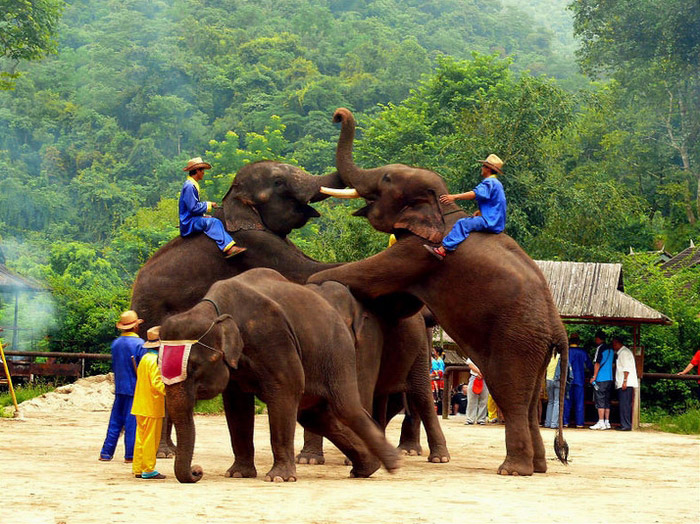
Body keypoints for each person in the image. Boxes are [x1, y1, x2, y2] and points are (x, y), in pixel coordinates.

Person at [424, 154, 506, 260]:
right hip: (497, 222)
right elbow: (494, 203)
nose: (482, 168)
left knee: (462, 223)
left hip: (490, 222)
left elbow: (475, 194)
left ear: (488, 169)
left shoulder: (489, 182)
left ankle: (443, 249)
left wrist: (454, 197)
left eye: (483, 166)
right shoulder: (497, 184)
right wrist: (480, 212)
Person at [99, 310, 146, 462]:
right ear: (135, 327)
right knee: (132, 423)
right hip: (134, 388)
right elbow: (143, 367)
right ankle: (130, 455)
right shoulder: (140, 345)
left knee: (115, 421)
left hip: (119, 387)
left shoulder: (116, 344)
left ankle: (106, 453)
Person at [179, 157, 246, 258]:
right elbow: (192, 207)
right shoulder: (189, 186)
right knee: (214, 222)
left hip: (192, 218)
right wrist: (209, 204)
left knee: (210, 219)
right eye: (202, 170)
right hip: (189, 222)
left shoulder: (192, 184)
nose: (203, 173)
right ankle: (228, 248)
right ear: (197, 171)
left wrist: (203, 215)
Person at [131, 326, 167, 479]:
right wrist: (170, 390)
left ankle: (138, 468)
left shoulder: (145, 358)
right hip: (152, 406)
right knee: (151, 440)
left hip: (140, 404)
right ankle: (148, 469)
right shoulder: (155, 361)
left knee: (140, 438)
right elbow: (157, 383)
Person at [562, 332, 593, 428]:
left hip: (568, 380)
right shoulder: (583, 352)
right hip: (579, 379)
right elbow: (589, 366)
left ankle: (565, 422)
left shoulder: (566, 352)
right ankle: (579, 423)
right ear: (578, 342)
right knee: (579, 402)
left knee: (567, 401)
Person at [589, 331, 615, 430]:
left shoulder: (600, 349)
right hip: (609, 378)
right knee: (607, 400)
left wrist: (594, 376)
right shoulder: (611, 350)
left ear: (599, 339)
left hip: (601, 378)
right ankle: (607, 421)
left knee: (600, 399)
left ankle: (600, 421)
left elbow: (597, 363)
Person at [613, 335, 638, 431]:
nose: (613, 346)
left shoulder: (624, 353)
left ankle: (626, 424)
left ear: (618, 343)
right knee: (624, 404)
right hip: (624, 382)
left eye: (614, 344)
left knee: (625, 405)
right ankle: (624, 423)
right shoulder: (622, 352)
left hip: (626, 383)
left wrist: (625, 381)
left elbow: (626, 368)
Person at [465, 358, 489, 425]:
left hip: (485, 378)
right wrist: (479, 372)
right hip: (474, 376)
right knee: (471, 399)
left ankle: (481, 419)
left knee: (484, 400)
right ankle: (470, 419)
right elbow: (470, 364)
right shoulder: (473, 353)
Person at [544, 351, 562, 429]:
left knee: (550, 401)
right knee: (556, 401)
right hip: (557, 380)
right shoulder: (560, 356)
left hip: (548, 380)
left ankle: (547, 422)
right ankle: (554, 423)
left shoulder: (548, 357)